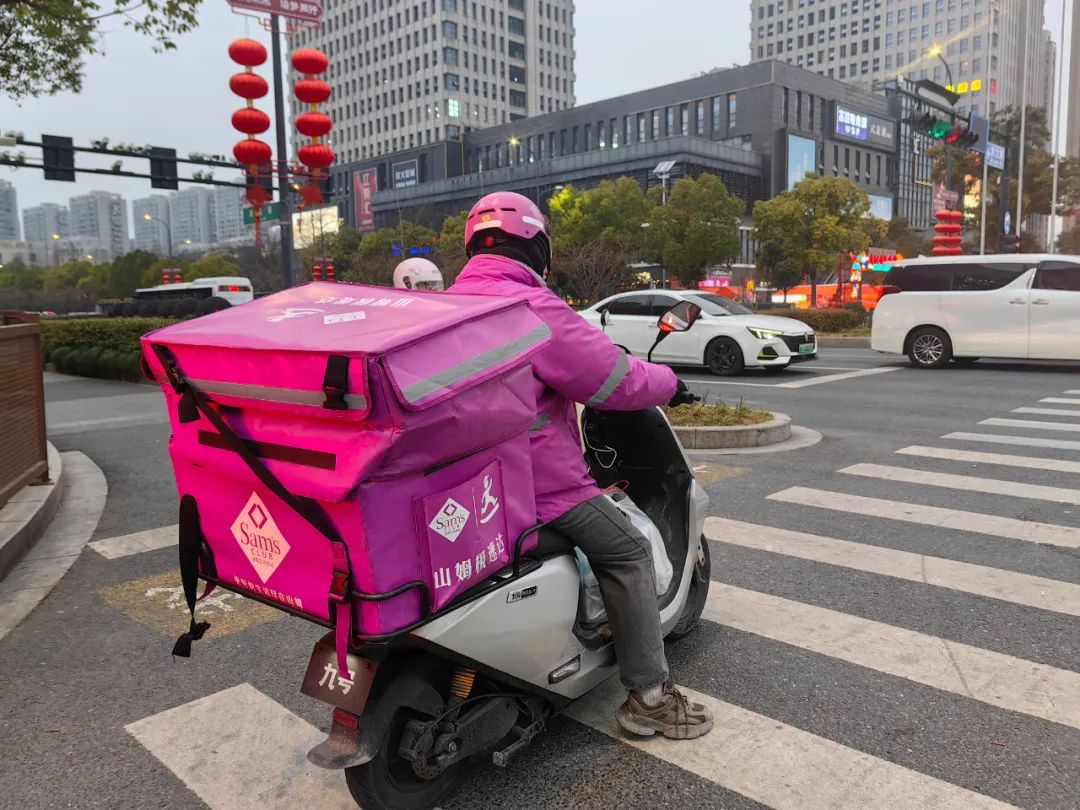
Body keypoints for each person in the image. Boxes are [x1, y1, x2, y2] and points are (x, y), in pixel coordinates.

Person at [449, 191, 712, 741]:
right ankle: (649, 698)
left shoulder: (445, 307)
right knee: (628, 550)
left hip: (466, 482)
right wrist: (671, 384)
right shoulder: (528, 308)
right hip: (537, 485)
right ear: (537, 247)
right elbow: (614, 380)